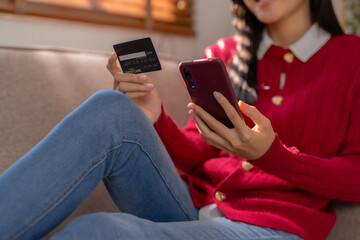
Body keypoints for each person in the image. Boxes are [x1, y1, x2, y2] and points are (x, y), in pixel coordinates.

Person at [0, 0, 359, 239]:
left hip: (271, 226)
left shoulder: (352, 58)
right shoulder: (224, 54)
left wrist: (270, 155)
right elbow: (196, 153)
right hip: (189, 206)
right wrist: (155, 118)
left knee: (98, 231)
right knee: (112, 108)